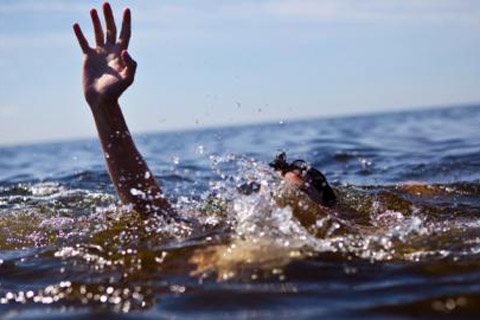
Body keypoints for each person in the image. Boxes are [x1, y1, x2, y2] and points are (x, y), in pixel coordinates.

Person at [72, 3, 336, 220]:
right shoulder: (226, 229)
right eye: (276, 191)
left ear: (327, 209)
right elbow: (153, 213)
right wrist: (104, 107)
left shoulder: (340, 235)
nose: (281, 199)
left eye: (297, 193)